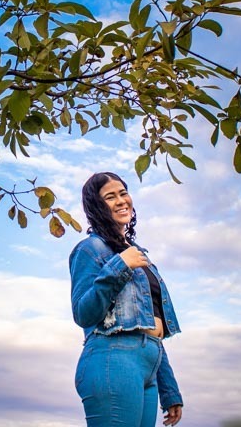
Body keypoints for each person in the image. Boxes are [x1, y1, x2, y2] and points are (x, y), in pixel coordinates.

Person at [69, 171, 184, 427]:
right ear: (97, 206)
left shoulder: (139, 254)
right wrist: (119, 265)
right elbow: (83, 313)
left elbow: (148, 324)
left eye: (123, 193)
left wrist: (169, 390)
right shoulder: (90, 249)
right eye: (110, 197)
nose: (121, 201)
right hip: (114, 359)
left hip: (149, 366)